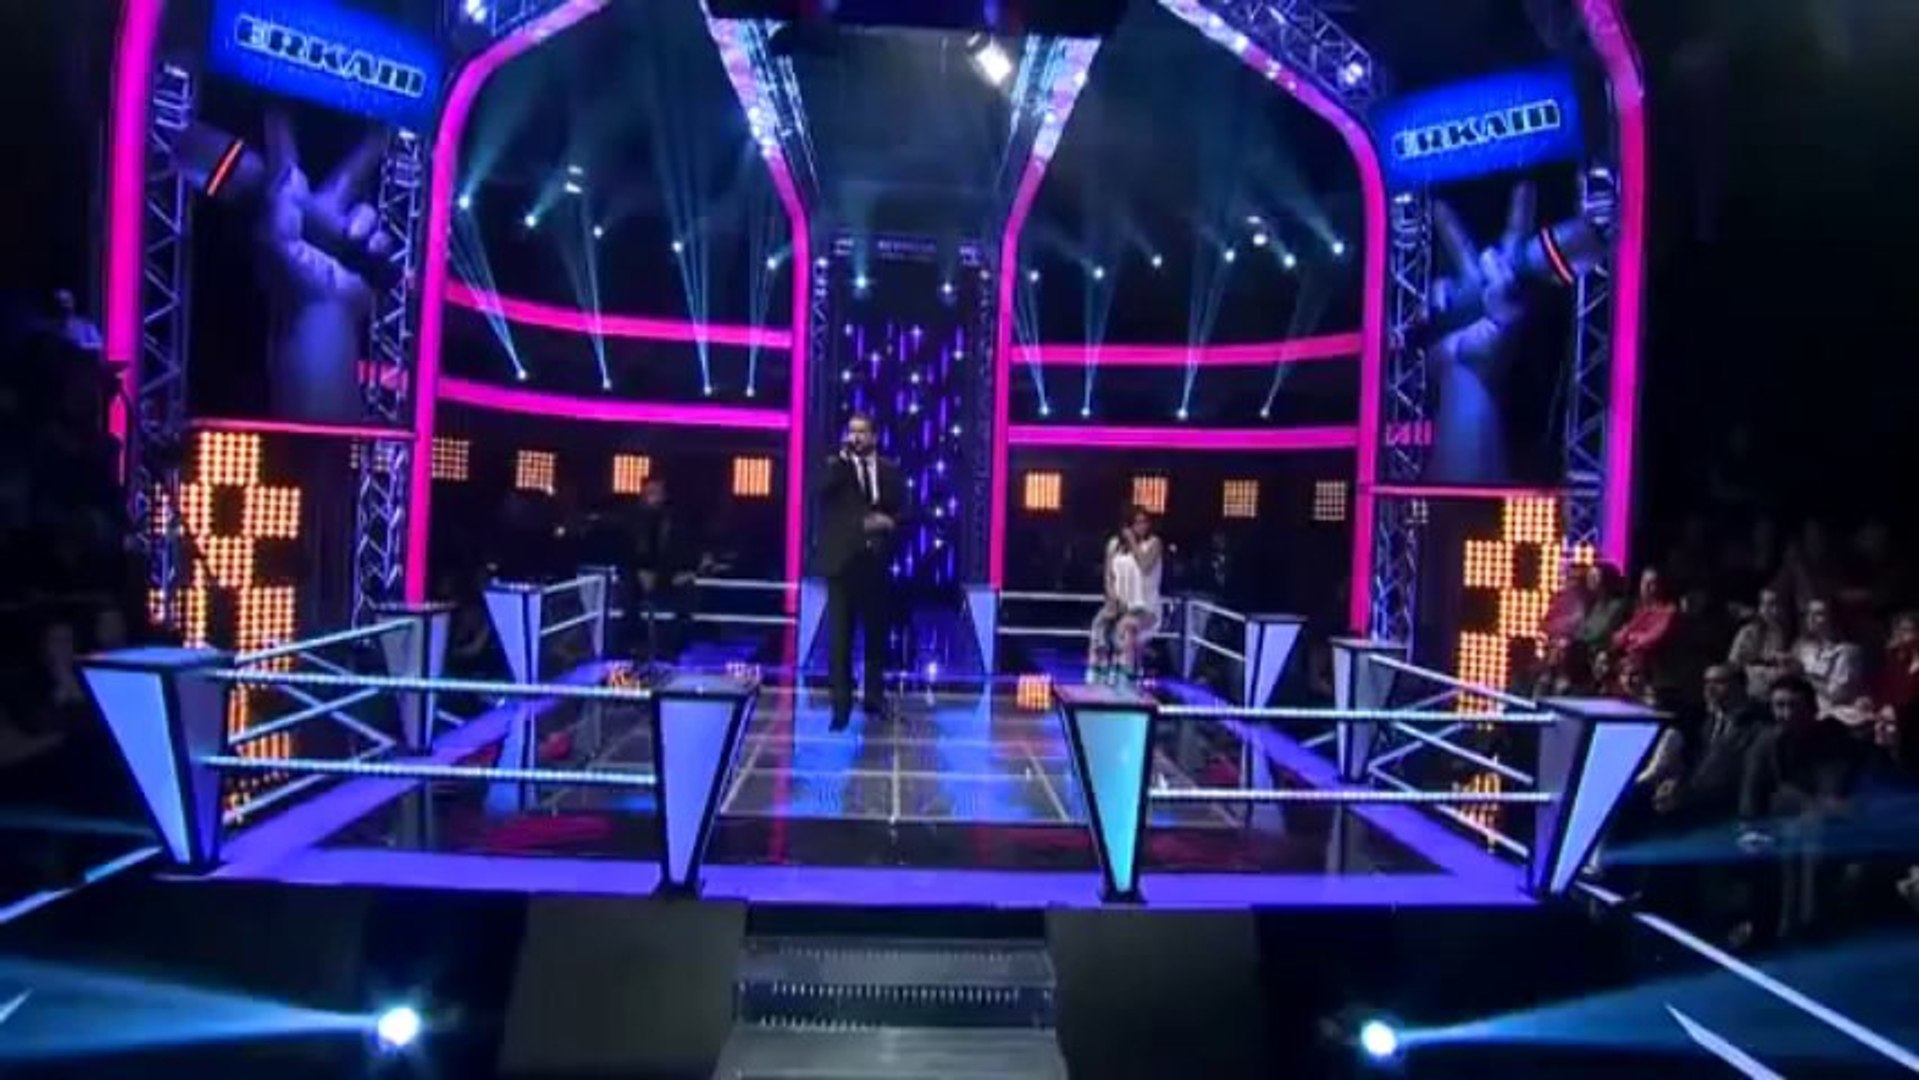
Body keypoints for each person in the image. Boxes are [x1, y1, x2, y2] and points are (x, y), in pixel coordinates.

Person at [814, 413, 905, 730]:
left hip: (875, 565)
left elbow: (904, 509)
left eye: (862, 431)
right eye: (851, 431)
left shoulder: (890, 470)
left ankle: (874, 699)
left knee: (876, 637)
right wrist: (841, 461)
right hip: (842, 565)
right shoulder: (835, 468)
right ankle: (840, 707)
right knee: (840, 639)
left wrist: (888, 523)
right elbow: (822, 495)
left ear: (874, 436)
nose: (856, 437)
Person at [1088, 506, 1164, 683]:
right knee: (1099, 623)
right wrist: (1112, 598)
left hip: (1145, 607)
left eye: (1145, 522)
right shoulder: (1114, 545)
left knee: (1125, 627)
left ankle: (1125, 675)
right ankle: (1097, 672)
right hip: (1120, 603)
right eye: (1137, 523)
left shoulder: (1154, 543)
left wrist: (1132, 541)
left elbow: (1145, 566)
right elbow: (1109, 576)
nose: (1142, 526)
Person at [628, 476, 698, 662]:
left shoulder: (674, 520)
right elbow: (632, 550)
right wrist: (640, 572)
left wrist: (687, 571)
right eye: (648, 493)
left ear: (664, 495)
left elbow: (685, 549)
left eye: (656, 492)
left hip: (669, 577)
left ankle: (670, 651)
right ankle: (638, 649)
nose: (652, 497)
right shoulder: (633, 519)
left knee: (685, 599)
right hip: (637, 579)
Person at [1728, 587, 1795, 698]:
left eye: (1777, 604)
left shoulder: (1779, 630)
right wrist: (1763, 660)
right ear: (1760, 607)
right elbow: (1734, 662)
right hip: (1754, 689)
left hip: (1776, 689)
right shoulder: (1748, 631)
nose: (1774, 610)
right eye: (1769, 605)